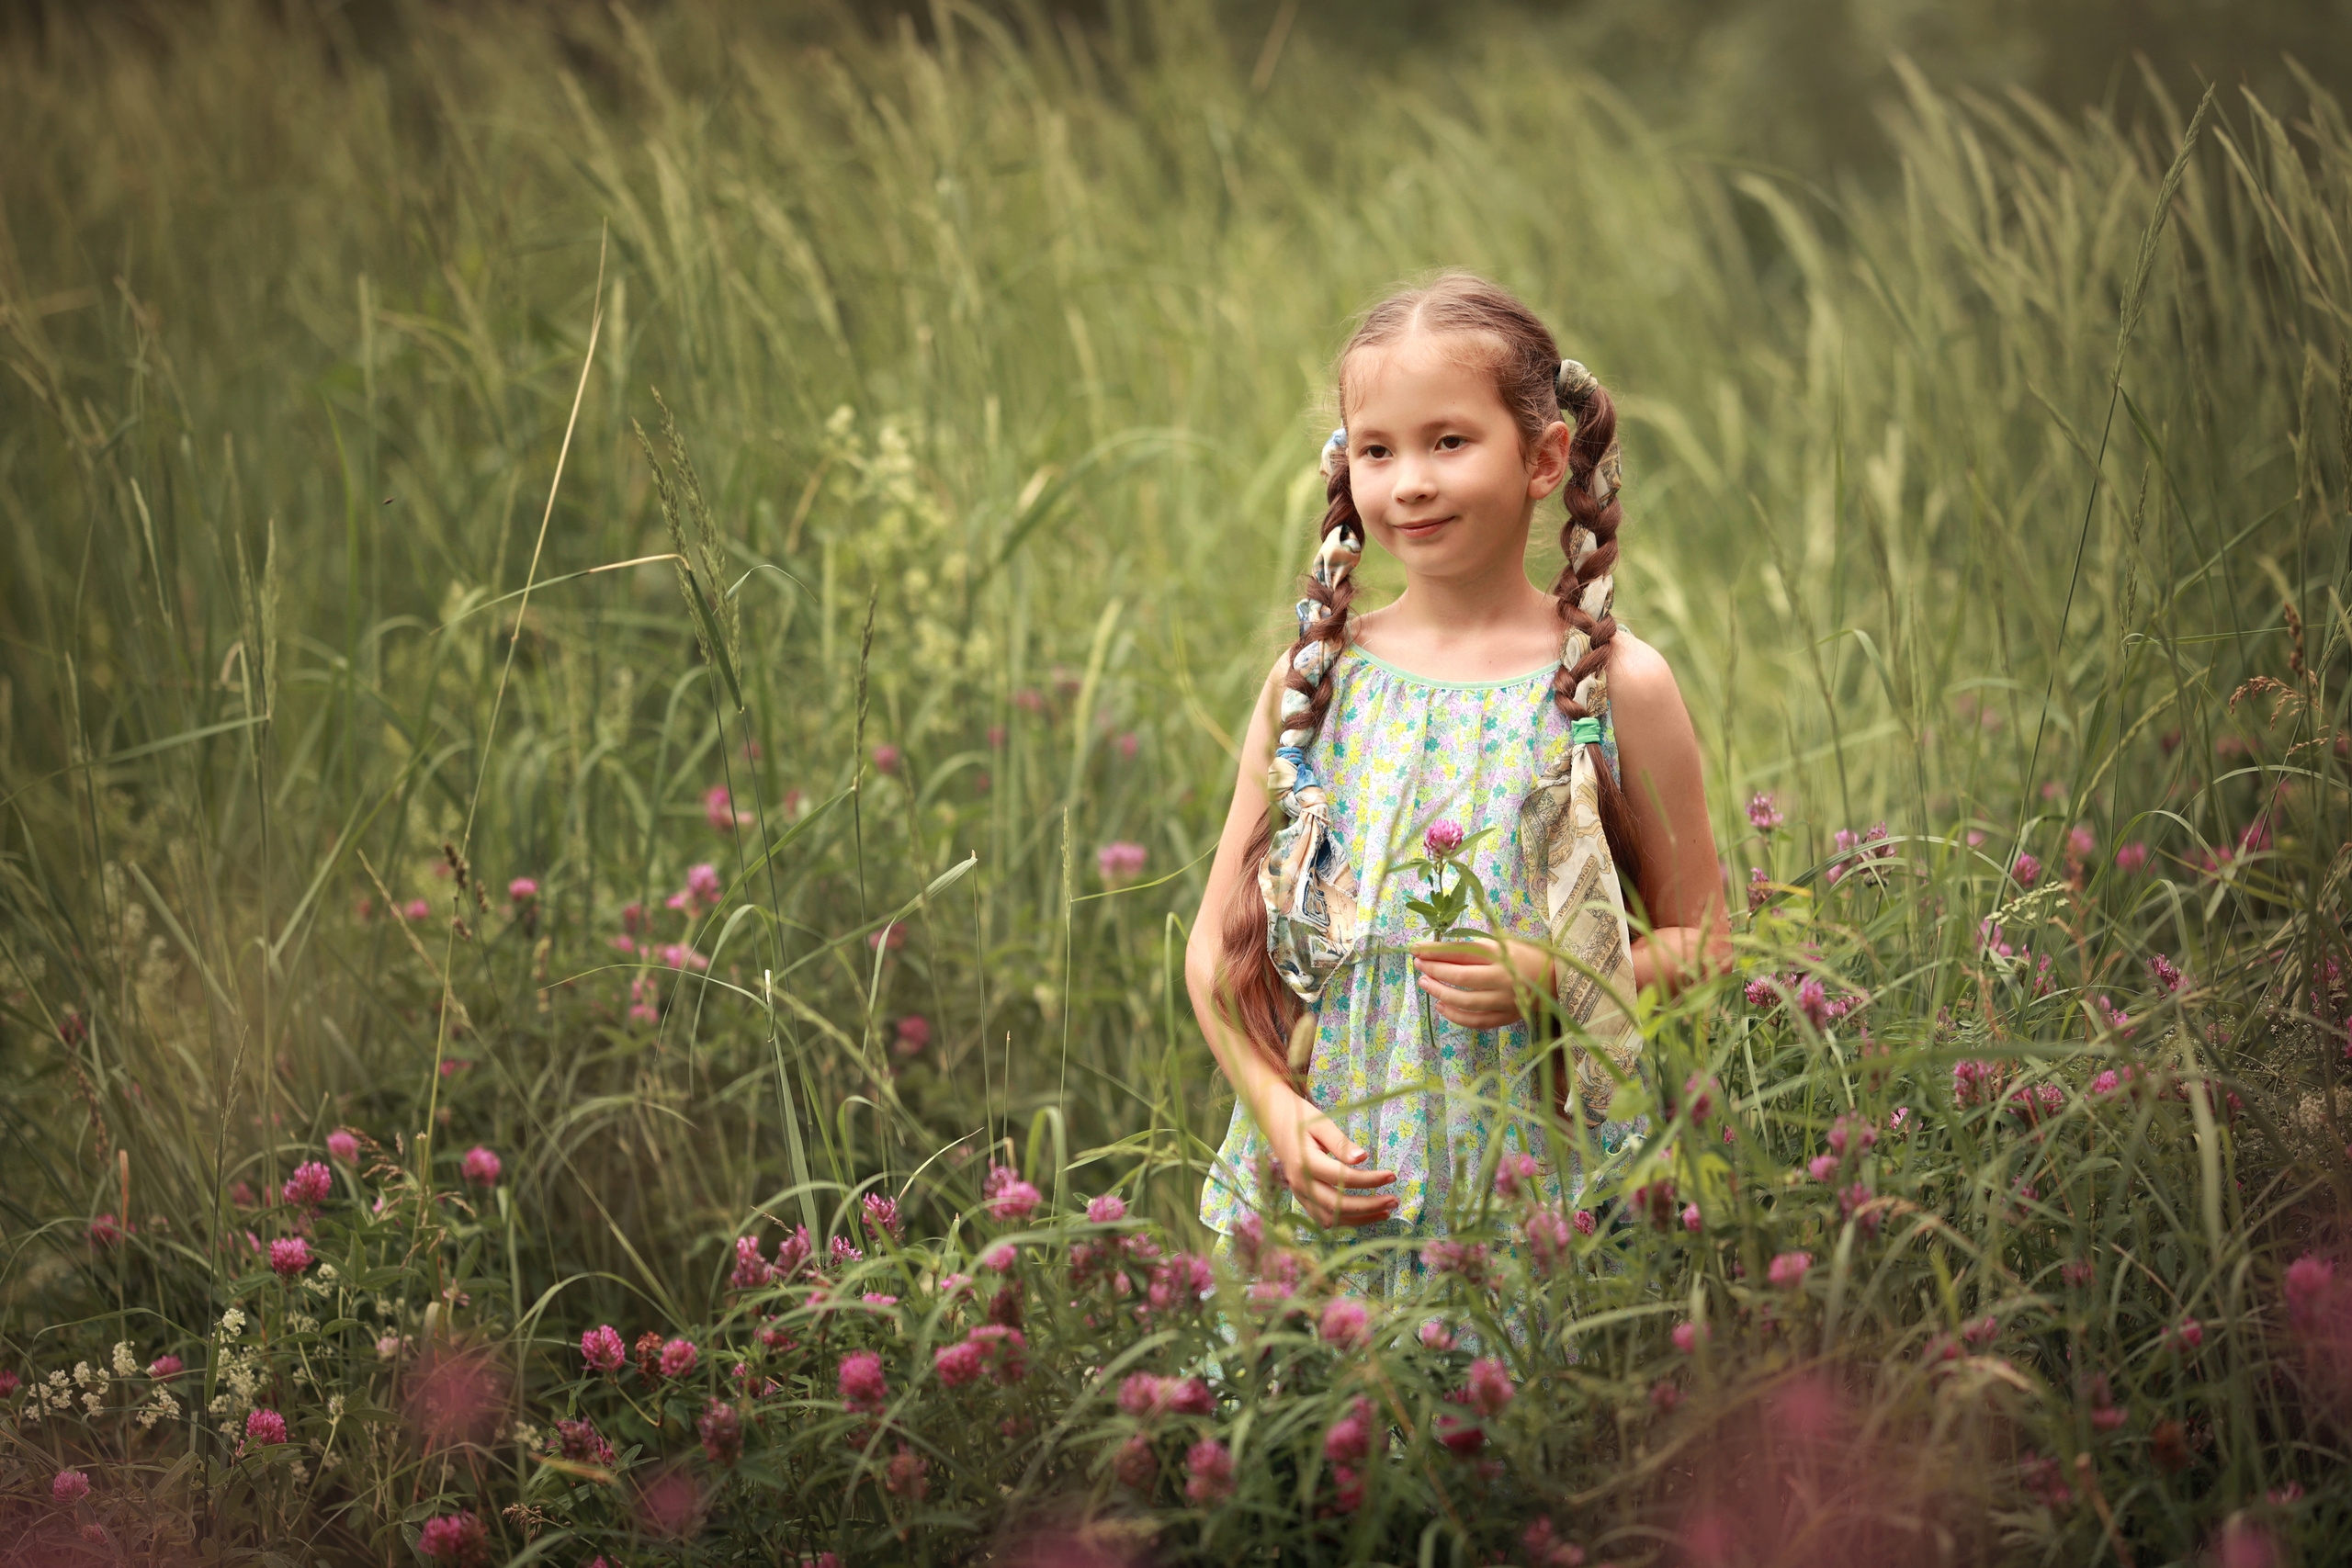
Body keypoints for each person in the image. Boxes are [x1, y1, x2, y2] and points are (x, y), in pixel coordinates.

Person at [1185, 271, 1733, 1294]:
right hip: (1340, 1176)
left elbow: (1706, 946)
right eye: (1377, 451)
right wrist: (1276, 1114)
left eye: (1448, 442)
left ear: (1542, 458)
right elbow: (1213, 956)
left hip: (1539, 1184)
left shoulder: (1621, 687)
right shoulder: (1317, 682)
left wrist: (1560, 974)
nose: (1411, 483)